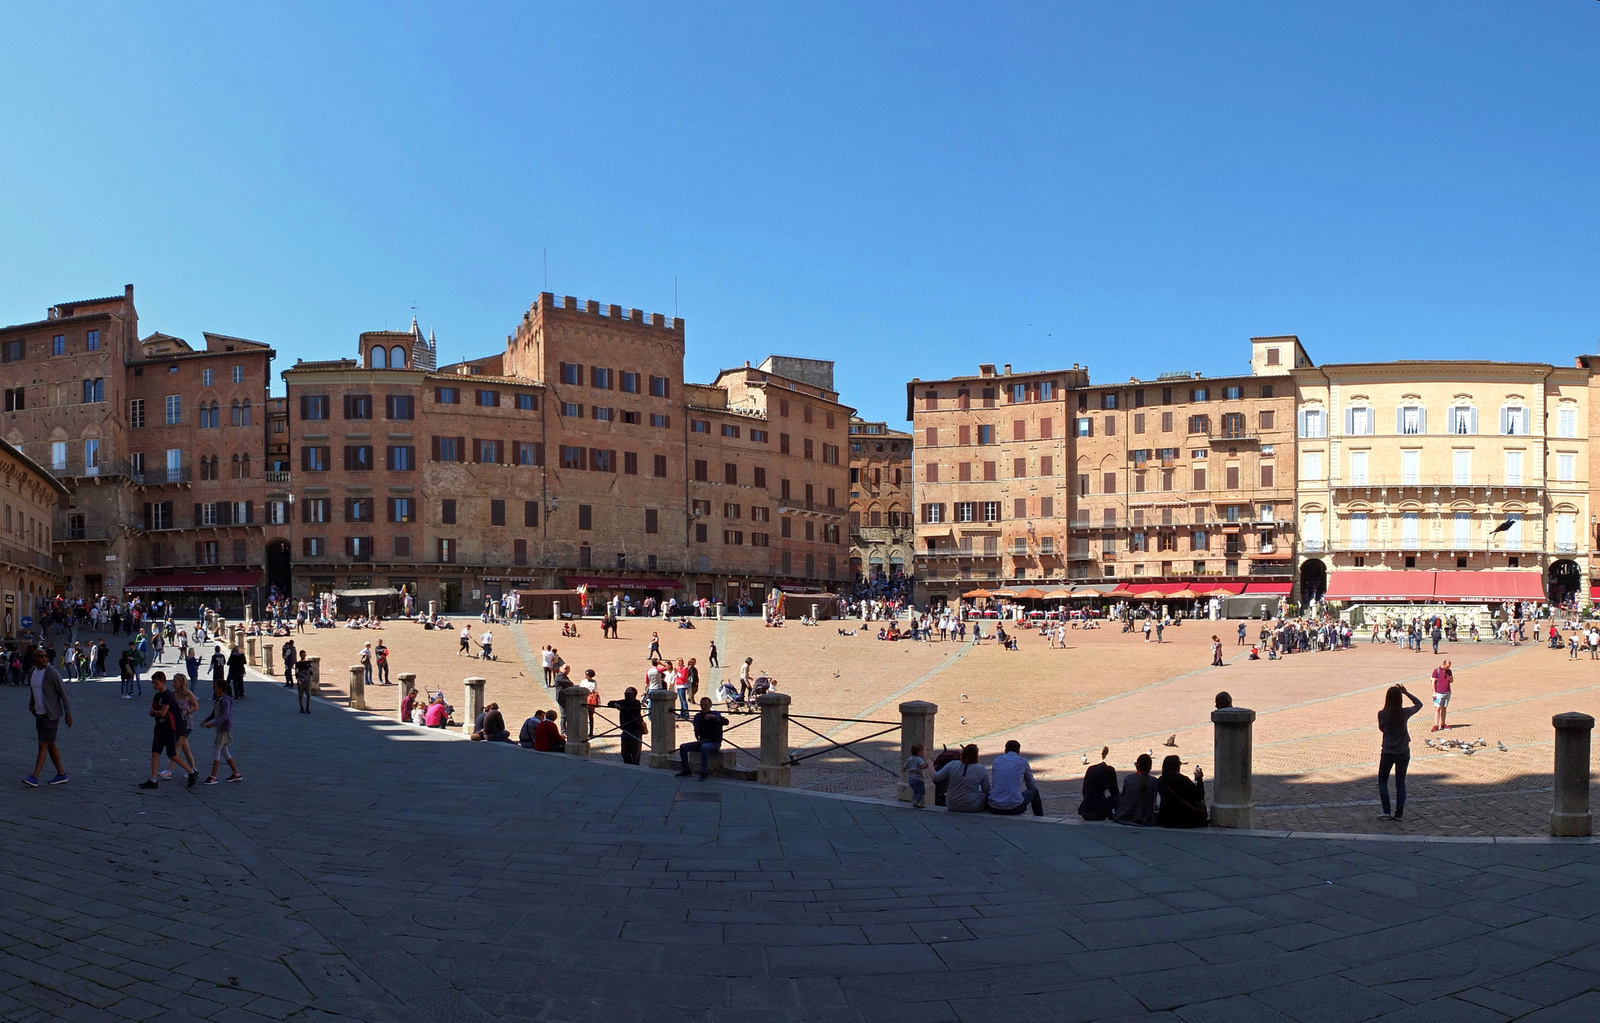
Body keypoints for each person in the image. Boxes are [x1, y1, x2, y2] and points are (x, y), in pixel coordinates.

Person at [22, 646, 71, 787]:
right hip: (39, 714)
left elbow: (64, 694)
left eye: (45, 656)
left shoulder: (52, 673)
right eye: (40, 656)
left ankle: (35, 777)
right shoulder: (32, 672)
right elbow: (34, 691)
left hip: (51, 715)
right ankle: (61, 774)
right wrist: (32, 705)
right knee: (50, 744)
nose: (44, 659)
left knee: (43, 745)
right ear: (35, 658)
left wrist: (68, 713)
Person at [140, 672, 197, 790]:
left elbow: (162, 712)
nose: (154, 686)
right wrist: (157, 712)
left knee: (172, 754)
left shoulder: (169, 695)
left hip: (170, 729)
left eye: (156, 683)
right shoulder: (157, 696)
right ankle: (153, 779)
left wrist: (157, 712)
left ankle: (191, 771)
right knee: (155, 753)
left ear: (162, 682)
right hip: (159, 728)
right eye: (153, 683)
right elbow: (153, 712)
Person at [1378, 684, 1425, 821]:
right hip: (1403, 751)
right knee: (1400, 782)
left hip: (1388, 752)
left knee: (1382, 780)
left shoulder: (1382, 714)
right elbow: (1419, 704)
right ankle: (1399, 813)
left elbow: (1382, 729)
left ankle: (1386, 811)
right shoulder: (1404, 713)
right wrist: (1406, 692)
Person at [987, 739, 1044, 816]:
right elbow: (1031, 784)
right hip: (1014, 807)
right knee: (1034, 791)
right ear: (1018, 751)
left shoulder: (997, 760)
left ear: (1005, 750)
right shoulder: (1022, 761)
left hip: (994, 807)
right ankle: (1039, 817)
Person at [675, 697, 728, 779]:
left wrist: (713, 717)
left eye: (705, 705)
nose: (703, 707)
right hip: (701, 741)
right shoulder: (698, 716)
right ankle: (686, 770)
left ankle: (704, 771)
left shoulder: (715, 714)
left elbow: (726, 722)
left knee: (705, 747)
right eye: (702, 705)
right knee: (683, 747)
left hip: (714, 743)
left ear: (710, 705)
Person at [200, 679, 242, 784]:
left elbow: (225, 716)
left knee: (217, 750)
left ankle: (213, 776)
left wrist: (212, 723)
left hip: (224, 729)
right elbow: (214, 713)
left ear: (220, 689)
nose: (213, 689)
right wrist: (206, 720)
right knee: (224, 751)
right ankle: (236, 773)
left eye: (215, 687)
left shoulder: (225, 701)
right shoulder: (220, 699)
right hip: (221, 728)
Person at [932, 743, 989, 812]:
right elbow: (986, 789)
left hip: (951, 804)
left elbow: (936, 777)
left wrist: (930, 764)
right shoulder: (981, 768)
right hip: (971, 806)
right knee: (982, 795)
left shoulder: (953, 764)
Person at [1156, 755, 1208, 828]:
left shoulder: (1160, 780)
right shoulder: (1183, 780)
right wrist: (1199, 779)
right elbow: (1199, 796)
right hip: (1185, 819)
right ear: (1177, 767)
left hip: (1165, 819)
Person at [1113, 753, 1159, 826]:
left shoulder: (1128, 778)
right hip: (1143, 818)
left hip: (1123, 816)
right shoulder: (1153, 781)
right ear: (1150, 767)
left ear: (1137, 765)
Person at [606, 687, 647, 765]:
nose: (626, 695)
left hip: (635, 730)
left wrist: (621, 706)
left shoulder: (636, 703)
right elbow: (609, 703)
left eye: (629, 694)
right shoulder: (623, 702)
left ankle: (635, 767)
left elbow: (632, 708)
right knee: (625, 752)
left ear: (634, 695)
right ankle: (627, 765)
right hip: (625, 730)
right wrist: (615, 704)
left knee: (635, 752)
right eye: (625, 693)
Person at [1077, 746, 1118, 821]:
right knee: (1118, 797)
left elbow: (1084, 790)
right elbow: (1115, 792)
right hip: (1099, 811)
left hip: (1085, 809)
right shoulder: (1109, 770)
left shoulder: (1091, 769)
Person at [903, 743, 931, 808]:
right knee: (922, 791)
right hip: (918, 779)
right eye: (923, 751)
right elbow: (922, 766)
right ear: (919, 752)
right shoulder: (919, 759)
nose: (924, 753)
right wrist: (927, 764)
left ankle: (915, 801)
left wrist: (904, 769)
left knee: (916, 791)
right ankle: (916, 802)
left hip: (911, 779)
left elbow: (905, 766)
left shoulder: (910, 758)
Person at [1431, 659, 1453, 732]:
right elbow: (1433, 682)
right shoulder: (1436, 671)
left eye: (1449, 667)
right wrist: (1434, 692)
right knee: (1437, 708)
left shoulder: (1449, 671)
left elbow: (1452, 681)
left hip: (1447, 692)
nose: (1447, 668)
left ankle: (1443, 723)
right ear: (1443, 664)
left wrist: (1451, 679)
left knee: (1444, 707)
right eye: (1447, 666)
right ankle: (1436, 724)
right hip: (1438, 692)